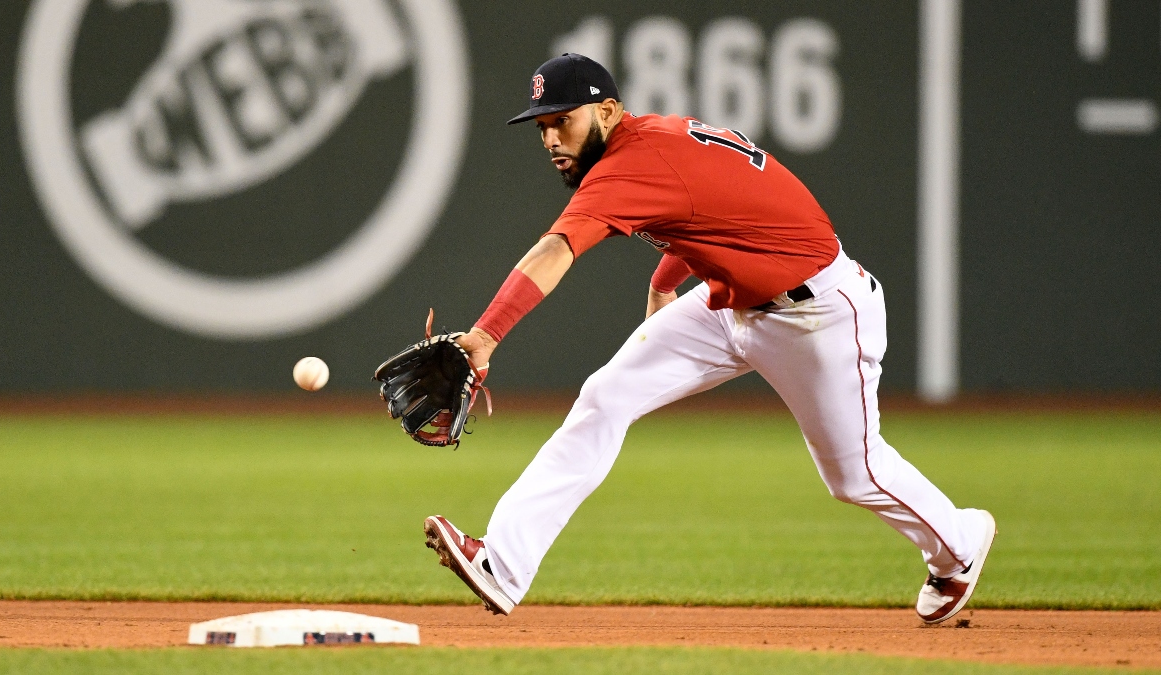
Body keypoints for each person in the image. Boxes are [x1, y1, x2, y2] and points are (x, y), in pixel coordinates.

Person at [422, 53, 995, 625]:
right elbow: (712, 209)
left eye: (563, 120)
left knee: (855, 476)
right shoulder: (659, 141)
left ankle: (958, 545)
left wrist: (487, 333)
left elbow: (556, 250)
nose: (551, 138)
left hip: (818, 314)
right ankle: (502, 561)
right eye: (543, 126)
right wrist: (664, 281)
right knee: (606, 395)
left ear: (608, 111)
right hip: (730, 302)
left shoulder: (629, 164)